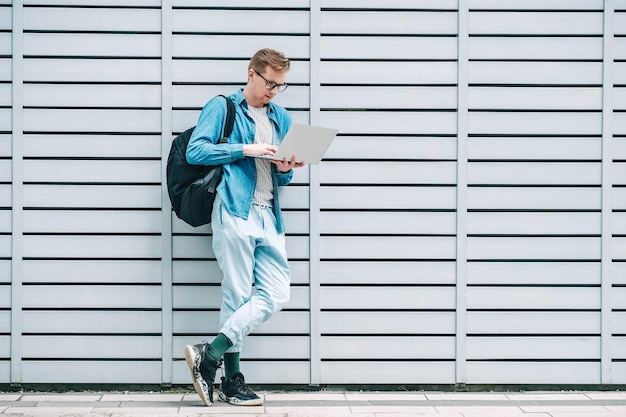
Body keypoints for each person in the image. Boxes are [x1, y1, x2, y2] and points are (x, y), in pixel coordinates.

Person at [183, 48, 304, 407]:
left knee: (277, 292)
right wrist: (247, 149)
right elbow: (196, 151)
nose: (273, 91)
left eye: (280, 85)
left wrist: (286, 167)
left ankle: (211, 353)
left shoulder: (280, 115)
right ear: (251, 74)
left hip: (270, 214)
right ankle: (232, 382)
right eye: (269, 83)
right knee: (236, 293)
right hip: (235, 208)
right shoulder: (223, 107)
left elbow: (286, 176)